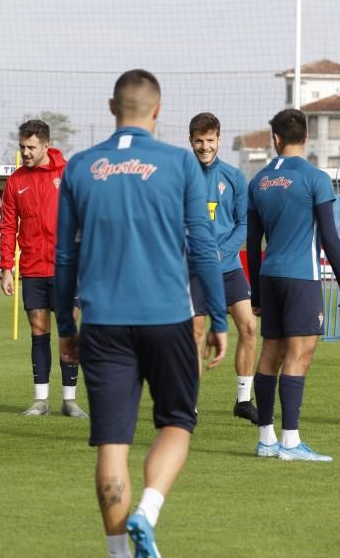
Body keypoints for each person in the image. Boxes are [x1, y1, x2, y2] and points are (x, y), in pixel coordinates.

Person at [54, 70, 228, 558]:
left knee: (112, 443)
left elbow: (64, 256)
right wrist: (217, 318)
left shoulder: (81, 166)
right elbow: (204, 247)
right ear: (158, 109)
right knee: (176, 423)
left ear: (113, 108)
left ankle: (117, 553)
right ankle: (147, 512)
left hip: (103, 322)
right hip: (168, 317)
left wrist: (67, 327)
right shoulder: (179, 163)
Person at [246, 108, 340, 462]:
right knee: (299, 355)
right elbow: (330, 237)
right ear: (306, 137)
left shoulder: (258, 180)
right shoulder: (314, 178)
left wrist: (257, 295)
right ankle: (290, 443)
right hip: (301, 278)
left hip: (269, 278)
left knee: (271, 355)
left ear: (275, 139)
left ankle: (266, 439)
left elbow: (253, 241)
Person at [0, 120, 86, 418]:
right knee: (39, 331)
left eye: (31, 147)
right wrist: (6, 268)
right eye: (22, 147)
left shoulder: (69, 175)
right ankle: (40, 400)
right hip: (33, 269)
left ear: (46, 146)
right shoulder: (15, 182)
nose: (25, 152)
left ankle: (70, 401)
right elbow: (8, 226)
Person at [186, 112, 259, 422]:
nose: (205, 147)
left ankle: (243, 400)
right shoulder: (180, 177)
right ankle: (189, 404)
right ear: (191, 141)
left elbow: (243, 225)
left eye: (210, 140)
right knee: (196, 336)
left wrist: (220, 252)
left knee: (249, 326)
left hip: (228, 268)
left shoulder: (233, 176)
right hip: (192, 271)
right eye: (199, 141)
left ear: (219, 139)